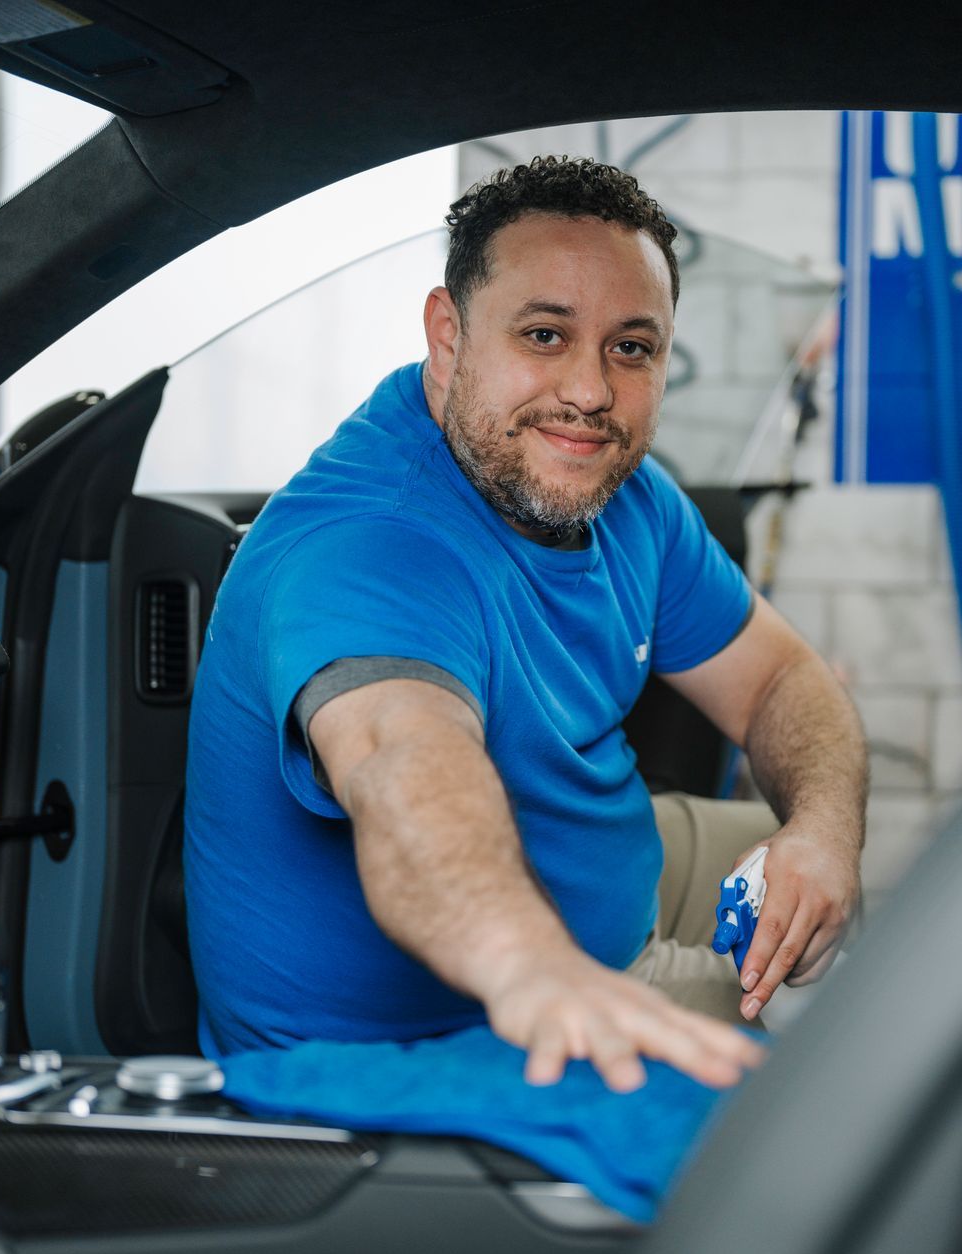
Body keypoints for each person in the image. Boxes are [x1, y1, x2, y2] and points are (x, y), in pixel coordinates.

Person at [183, 156, 868, 1092]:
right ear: (447, 335)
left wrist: (822, 834)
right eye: (545, 335)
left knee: (874, 898)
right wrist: (532, 969)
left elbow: (781, 679)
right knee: (833, 1105)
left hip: (602, 878)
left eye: (631, 348)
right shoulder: (369, 545)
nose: (589, 391)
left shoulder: (624, 499)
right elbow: (401, 761)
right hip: (430, 1055)